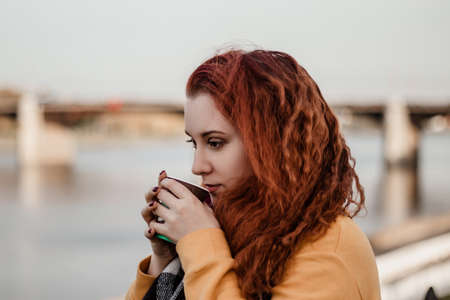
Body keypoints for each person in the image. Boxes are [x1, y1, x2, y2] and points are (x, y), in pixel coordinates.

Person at [125, 49, 381, 300]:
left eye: (214, 143)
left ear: (271, 143)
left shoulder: (330, 249)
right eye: (194, 143)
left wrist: (199, 243)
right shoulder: (233, 229)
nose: (197, 166)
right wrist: (165, 258)